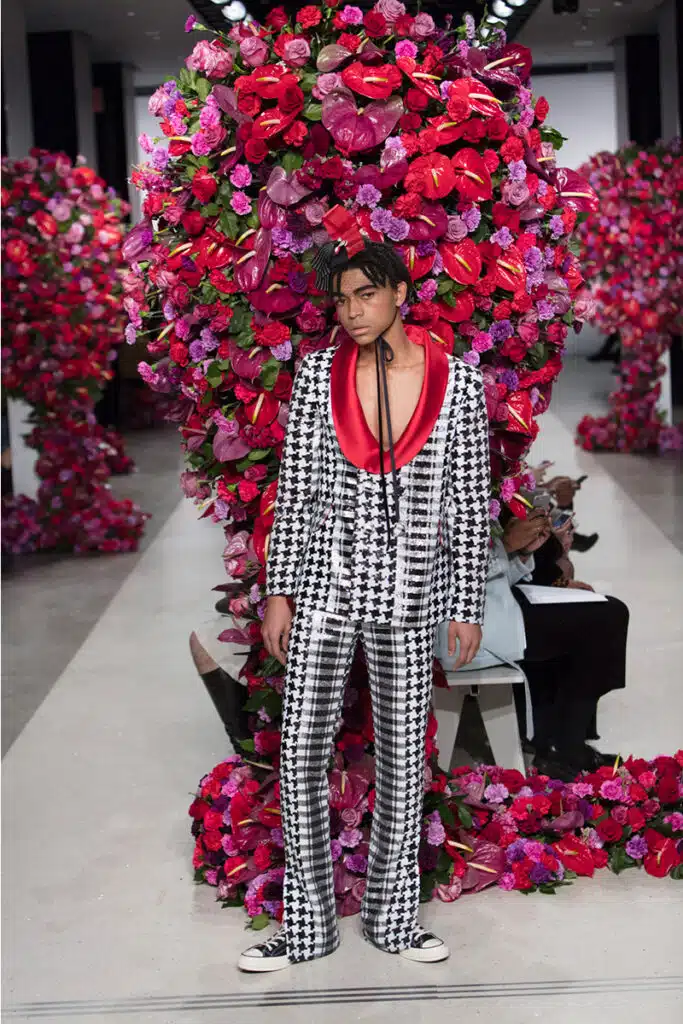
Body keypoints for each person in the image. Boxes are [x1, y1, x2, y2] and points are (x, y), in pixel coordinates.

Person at [237, 237, 491, 972]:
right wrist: (280, 592)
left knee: (403, 757)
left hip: (412, 594)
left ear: (400, 297)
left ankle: (393, 918)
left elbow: (469, 504)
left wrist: (465, 602)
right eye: (341, 300)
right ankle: (306, 926)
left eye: (366, 297)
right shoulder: (317, 375)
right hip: (324, 584)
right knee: (302, 749)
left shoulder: (459, 383)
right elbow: (296, 493)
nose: (350, 313)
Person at [499, 509, 629, 781]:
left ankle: (560, 740)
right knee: (606, 617)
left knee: (601, 613)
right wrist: (509, 547)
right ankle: (565, 743)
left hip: (502, 599)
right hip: (479, 617)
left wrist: (522, 553)